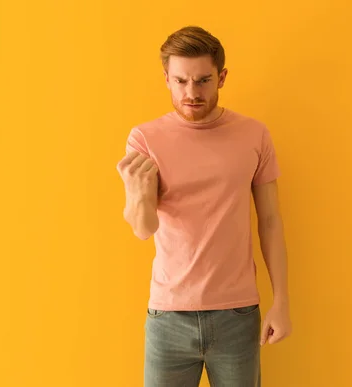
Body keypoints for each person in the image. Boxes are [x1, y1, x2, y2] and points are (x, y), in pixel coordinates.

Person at [116, 25, 292, 387]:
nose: (191, 93)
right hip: (168, 317)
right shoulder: (145, 138)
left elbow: (271, 221)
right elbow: (143, 228)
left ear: (222, 77)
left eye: (203, 81)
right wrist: (136, 192)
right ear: (166, 78)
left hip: (237, 314)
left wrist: (282, 301)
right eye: (181, 81)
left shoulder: (254, 135)